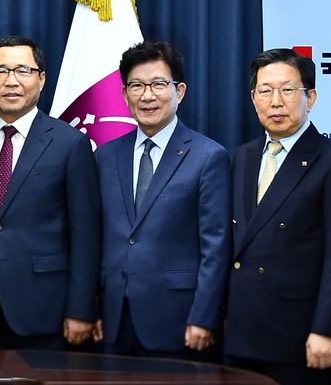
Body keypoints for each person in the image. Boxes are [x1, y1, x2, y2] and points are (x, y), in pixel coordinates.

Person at [0, 36, 100, 350]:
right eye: (0, 71)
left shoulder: (70, 144)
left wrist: (81, 309)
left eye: (23, 71)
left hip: (46, 310)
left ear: (41, 79)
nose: (11, 81)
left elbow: (86, 235)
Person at [224, 48, 331, 385]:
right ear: (253, 98)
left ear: (310, 98)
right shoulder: (243, 156)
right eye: (265, 91)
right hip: (241, 332)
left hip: (298, 337)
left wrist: (327, 330)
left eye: (288, 90)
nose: (276, 102)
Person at [92, 41, 230, 360]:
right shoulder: (105, 156)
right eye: (137, 86)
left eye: (157, 84)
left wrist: (204, 316)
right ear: (125, 94)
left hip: (179, 320)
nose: (147, 95)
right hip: (113, 320)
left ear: (179, 91)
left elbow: (216, 246)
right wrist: (92, 307)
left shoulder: (209, 157)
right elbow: (94, 238)